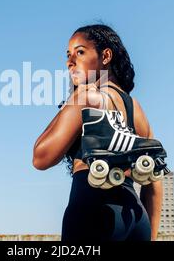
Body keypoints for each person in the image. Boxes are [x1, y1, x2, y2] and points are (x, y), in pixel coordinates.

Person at [32, 24, 163, 241]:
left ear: (106, 56)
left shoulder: (86, 98)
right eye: (68, 54)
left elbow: (41, 157)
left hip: (93, 212)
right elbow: (154, 183)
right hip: (137, 221)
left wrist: (71, 101)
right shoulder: (136, 108)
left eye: (80, 52)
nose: (70, 61)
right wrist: (149, 235)